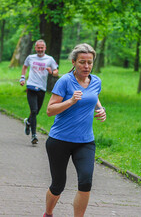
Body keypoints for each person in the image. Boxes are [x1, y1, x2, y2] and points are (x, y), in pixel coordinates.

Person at [43, 43, 106, 217]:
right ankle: (48, 213)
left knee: (85, 182)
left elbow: (94, 96)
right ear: (74, 62)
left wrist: (100, 109)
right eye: (82, 62)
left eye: (89, 62)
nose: (86, 66)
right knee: (58, 185)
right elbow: (50, 110)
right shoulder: (64, 81)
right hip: (60, 140)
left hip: (85, 141)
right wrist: (70, 101)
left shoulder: (96, 81)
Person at [20, 39, 58, 144]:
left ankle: (28, 122)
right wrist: (22, 78)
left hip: (42, 88)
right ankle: (34, 135)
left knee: (36, 112)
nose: (40, 49)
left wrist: (52, 72)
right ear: (35, 48)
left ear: (45, 48)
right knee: (33, 110)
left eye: (42, 48)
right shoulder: (30, 57)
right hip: (31, 86)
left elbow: (56, 72)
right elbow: (25, 66)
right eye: (38, 47)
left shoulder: (49, 59)